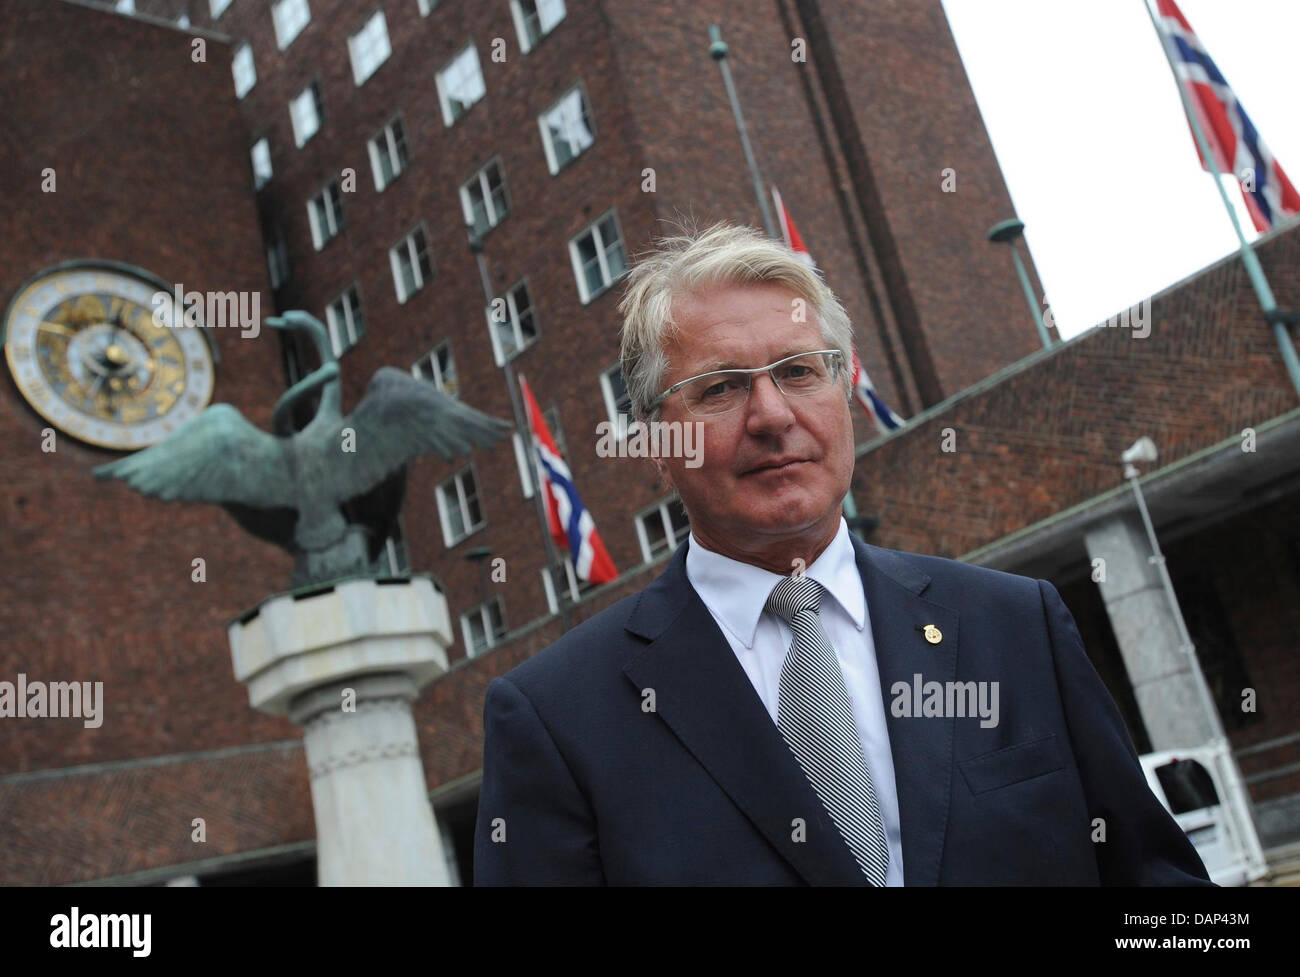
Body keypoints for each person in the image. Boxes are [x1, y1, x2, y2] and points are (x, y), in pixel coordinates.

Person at [473, 221, 1213, 886]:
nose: (772, 415)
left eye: (799, 371)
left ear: (845, 394)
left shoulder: (1015, 627)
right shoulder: (557, 718)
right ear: (655, 446)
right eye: (721, 388)